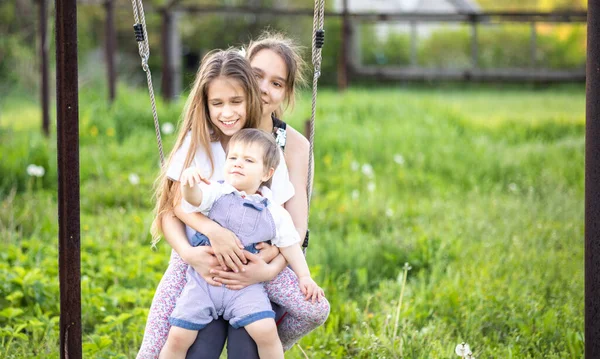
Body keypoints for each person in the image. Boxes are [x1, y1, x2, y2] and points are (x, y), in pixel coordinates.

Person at [137, 33, 329, 359]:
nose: (228, 111)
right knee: (158, 339)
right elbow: (173, 205)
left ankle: (268, 337)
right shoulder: (202, 141)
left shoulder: (268, 150)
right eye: (258, 77)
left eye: (276, 83)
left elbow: (288, 227)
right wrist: (197, 246)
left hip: (253, 260)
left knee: (314, 308)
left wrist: (267, 268)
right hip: (200, 260)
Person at [159, 129, 325, 359]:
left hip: (245, 287)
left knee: (266, 332)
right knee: (178, 336)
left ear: (267, 172)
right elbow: (193, 199)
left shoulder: (273, 211)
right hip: (205, 283)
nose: (238, 164)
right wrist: (188, 183)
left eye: (248, 160)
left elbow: (290, 246)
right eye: (233, 158)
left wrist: (304, 277)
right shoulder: (216, 192)